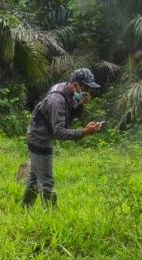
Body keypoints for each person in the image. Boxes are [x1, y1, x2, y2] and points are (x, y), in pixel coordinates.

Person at [22, 68, 103, 208]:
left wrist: (80, 104)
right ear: (76, 85)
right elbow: (59, 132)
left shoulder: (64, 87)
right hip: (40, 139)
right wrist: (84, 132)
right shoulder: (57, 100)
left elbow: (69, 112)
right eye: (86, 87)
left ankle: (25, 208)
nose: (87, 91)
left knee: (34, 177)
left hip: (37, 132)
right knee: (47, 182)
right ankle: (51, 217)